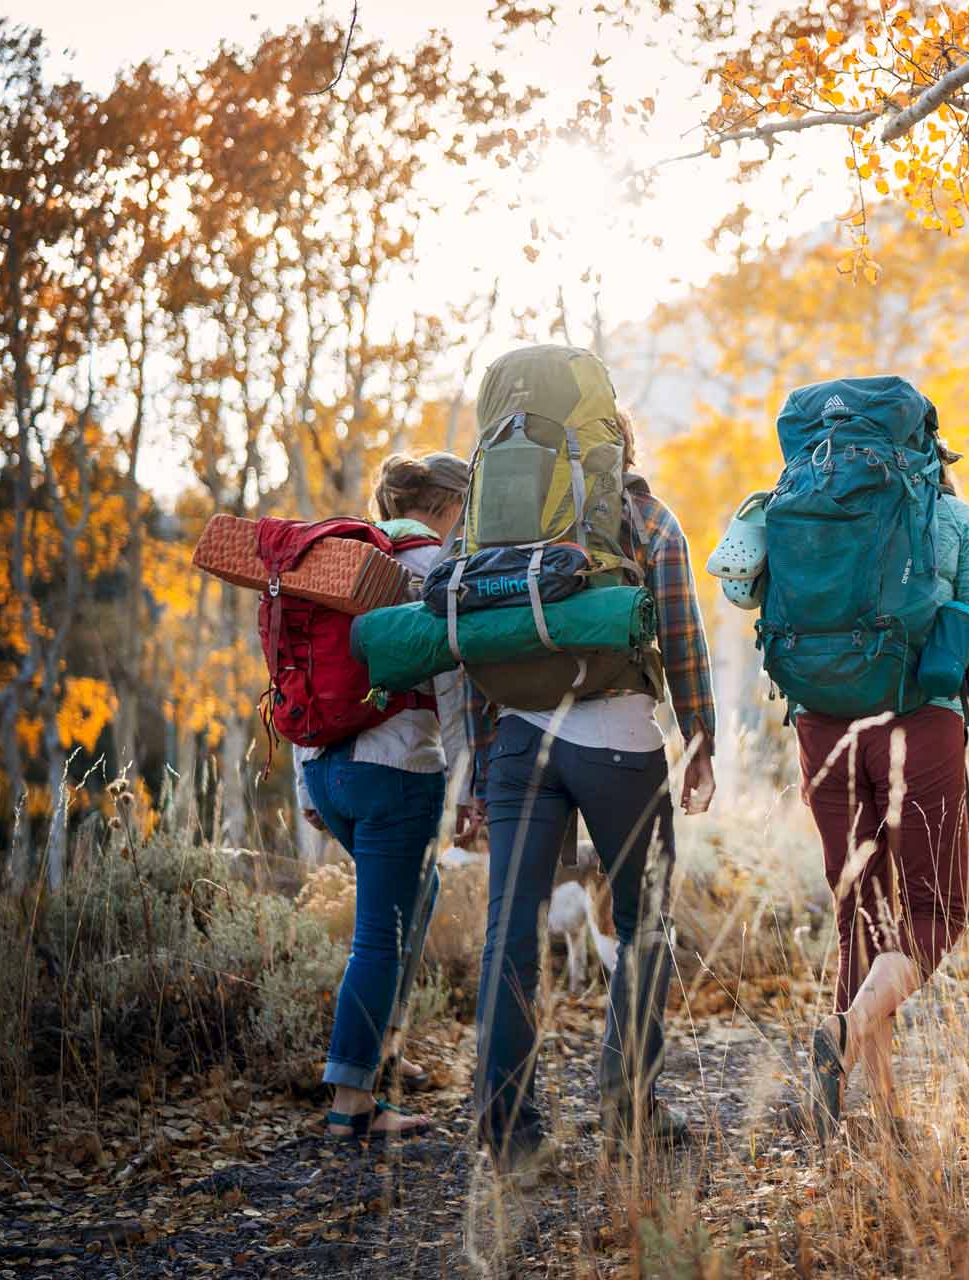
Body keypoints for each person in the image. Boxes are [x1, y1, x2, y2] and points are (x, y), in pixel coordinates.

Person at [467, 351, 717, 1177]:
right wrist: (700, 736)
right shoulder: (645, 518)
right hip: (619, 744)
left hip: (515, 745)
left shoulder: (487, 520)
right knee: (646, 926)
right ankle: (627, 1107)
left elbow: (476, 646)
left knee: (511, 934)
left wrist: (478, 773)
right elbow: (680, 634)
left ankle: (508, 1128)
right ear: (613, 442)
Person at [801, 449, 969, 1137]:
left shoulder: (803, 515)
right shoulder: (952, 518)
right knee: (936, 913)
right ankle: (843, 1035)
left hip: (824, 728)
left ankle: (886, 1109)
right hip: (921, 721)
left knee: (862, 920)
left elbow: (742, 586)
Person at [294, 452, 474, 1139]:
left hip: (326, 768)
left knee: (412, 904)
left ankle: (379, 1059)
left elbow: (301, 670)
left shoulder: (338, 559)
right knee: (380, 936)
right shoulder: (434, 570)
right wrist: (467, 786)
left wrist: (309, 766)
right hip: (399, 771)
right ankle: (350, 1102)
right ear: (451, 506)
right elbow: (452, 683)